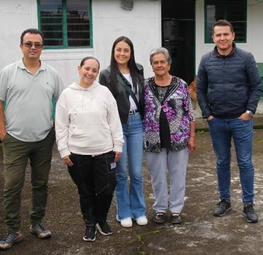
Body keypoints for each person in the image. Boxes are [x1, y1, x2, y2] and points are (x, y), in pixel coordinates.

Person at [0, 28, 64, 250]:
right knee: (12, 186)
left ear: (43, 48)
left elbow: (61, 103)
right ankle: (13, 229)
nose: (33, 47)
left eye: (37, 44)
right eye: (29, 43)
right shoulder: (8, 72)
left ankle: (37, 223)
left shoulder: (52, 74)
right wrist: (3, 132)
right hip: (15, 139)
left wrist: (58, 132)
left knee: (40, 184)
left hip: (43, 138)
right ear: (21, 46)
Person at [196, 19, 262, 223]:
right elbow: (200, 88)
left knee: (245, 162)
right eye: (218, 35)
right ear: (213, 38)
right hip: (217, 121)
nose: (222, 38)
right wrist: (207, 114)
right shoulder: (206, 60)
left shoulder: (245, 58)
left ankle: (248, 204)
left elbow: (256, 86)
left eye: (226, 34)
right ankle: (224, 200)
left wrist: (249, 111)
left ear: (233, 36)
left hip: (240, 120)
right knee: (222, 162)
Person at [55, 56, 124, 242]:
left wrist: (118, 145)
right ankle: (90, 224)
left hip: (104, 151)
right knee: (85, 191)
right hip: (77, 154)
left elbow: (114, 121)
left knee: (107, 188)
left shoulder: (104, 93)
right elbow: (61, 125)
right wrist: (63, 150)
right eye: (87, 68)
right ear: (79, 69)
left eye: (94, 70)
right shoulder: (67, 95)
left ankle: (101, 218)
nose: (90, 73)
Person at [143, 47, 196, 225]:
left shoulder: (181, 84)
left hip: (179, 138)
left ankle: (175, 210)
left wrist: (192, 137)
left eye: (162, 61)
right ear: (151, 66)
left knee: (178, 175)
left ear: (168, 63)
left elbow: (190, 113)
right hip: (153, 139)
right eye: (155, 62)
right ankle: (160, 209)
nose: (159, 65)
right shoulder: (145, 85)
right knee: (157, 176)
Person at [99, 36, 148, 228]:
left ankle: (139, 210)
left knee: (136, 172)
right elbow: (103, 103)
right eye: (118, 50)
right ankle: (124, 212)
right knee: (120, 173)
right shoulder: (106, 74)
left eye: (126, 50)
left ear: (131, 52)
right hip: (117, 126)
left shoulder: (139, 70)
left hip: (136, 124)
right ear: (113, 51)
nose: (122, 53)